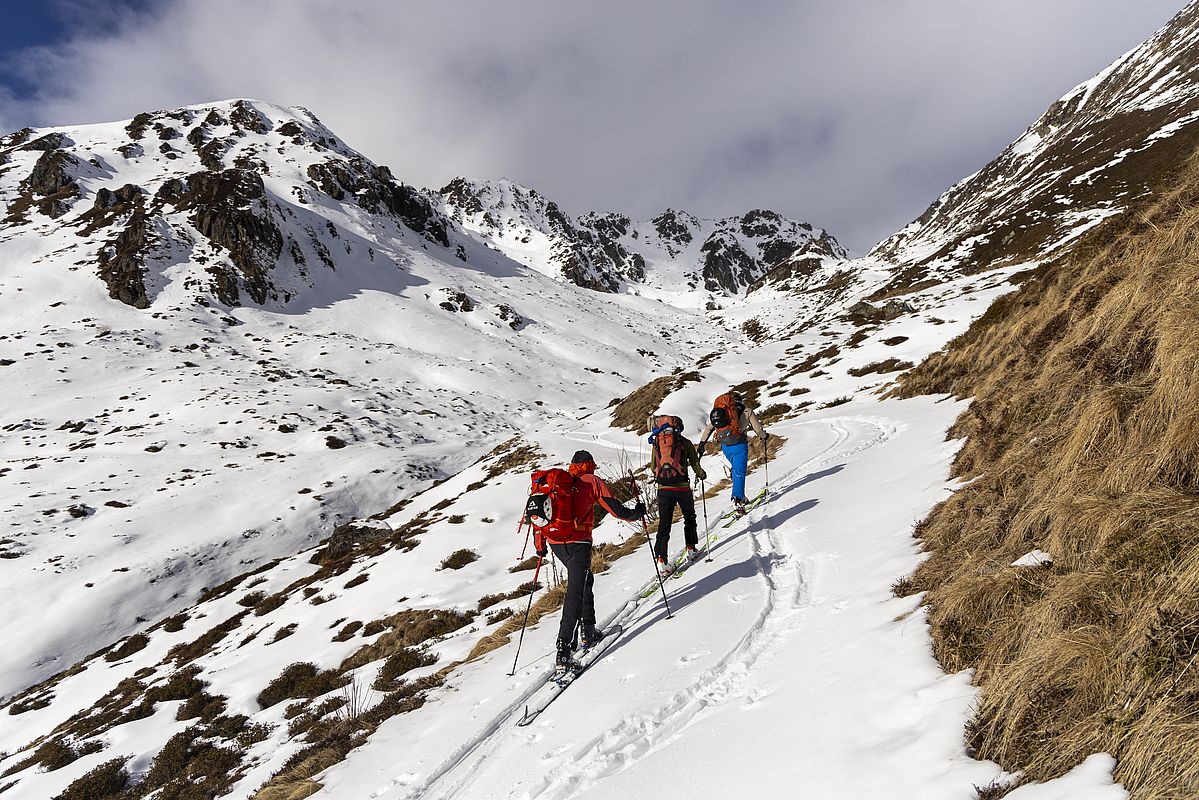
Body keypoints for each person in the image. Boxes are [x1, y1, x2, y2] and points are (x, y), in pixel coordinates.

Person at [533, 449, 645, 672]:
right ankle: (564, 650)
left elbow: (539, 519)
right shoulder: (592, 481)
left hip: (556, 543)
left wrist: (541, 547)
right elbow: (616, 510)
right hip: (579, 544)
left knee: (584, 581)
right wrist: (637, 513)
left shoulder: (559, 484)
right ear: (590, 464)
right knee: (575, 590)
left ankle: (588, 629)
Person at [646, 414, 706, 574]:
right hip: (682, 488)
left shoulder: (657, 444)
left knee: (664, 523)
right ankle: (691, 549)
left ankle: (661, 559)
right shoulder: (684, 443)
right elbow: (694, 463)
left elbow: (653, 466)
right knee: (689, 517)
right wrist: (701, 475)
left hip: (663, 489)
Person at [697, 391, 769, 515]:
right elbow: (758, 429)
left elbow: (709, 428)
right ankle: (738, 501)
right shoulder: (746, 411)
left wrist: (702, 444)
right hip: (740, 445)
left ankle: (740, 496)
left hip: (726, 447)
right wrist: (764, 436)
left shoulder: (724, 411)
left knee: (736, 471)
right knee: (739, 472)